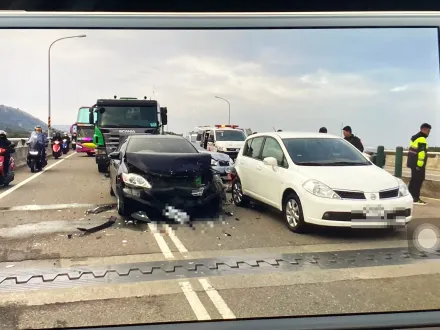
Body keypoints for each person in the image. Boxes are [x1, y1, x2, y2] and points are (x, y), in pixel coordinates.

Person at [407, 123, 431, 205]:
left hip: (412, 161)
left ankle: (410, 197)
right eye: (428, 130)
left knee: (413, 180)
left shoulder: (414, 138)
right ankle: (415, 198)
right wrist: (419, 165)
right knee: (418, 180)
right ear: (423, 129)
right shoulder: (422, 139)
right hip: (418, 164)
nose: (428, 133)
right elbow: (421, 153)